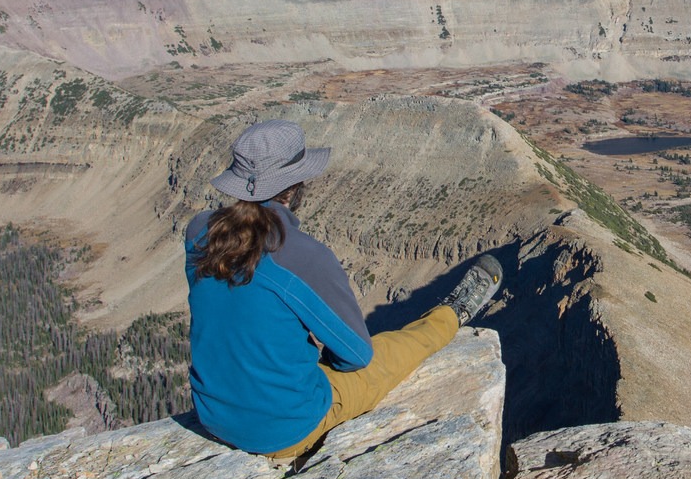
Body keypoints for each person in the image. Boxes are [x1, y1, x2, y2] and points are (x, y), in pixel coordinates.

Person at [184, 119, 501, 459]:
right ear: (293, 188)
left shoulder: (199, 230)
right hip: (284, 430)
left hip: (213, 415)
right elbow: (355, 356)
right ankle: (451, 314)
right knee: (391, 350)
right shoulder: (301, 254)